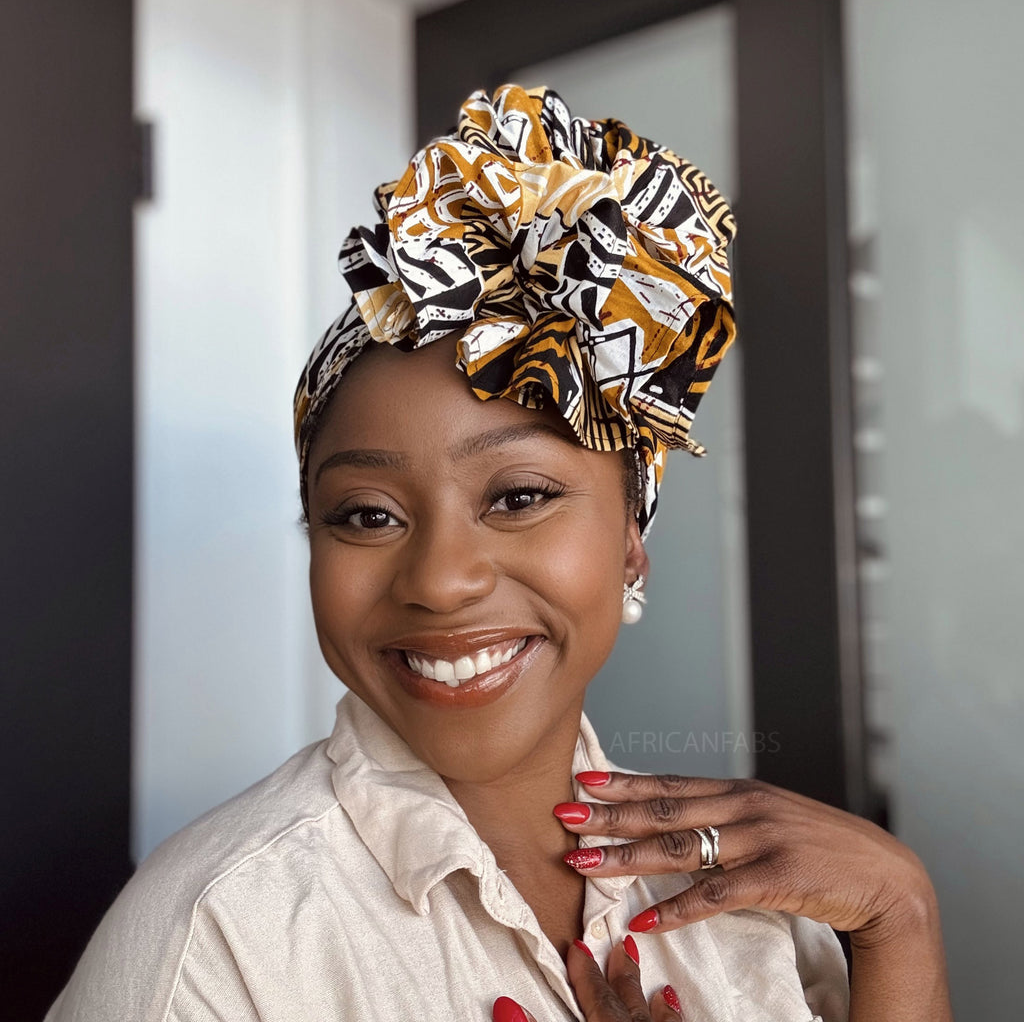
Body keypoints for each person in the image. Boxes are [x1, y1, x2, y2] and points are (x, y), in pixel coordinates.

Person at [46, 85, 951, 1022]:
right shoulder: (219, 939)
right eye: (366, 515)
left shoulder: (759, 903)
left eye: (518, 498)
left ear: (631, 544)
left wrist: (903, 918)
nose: (441, 581)